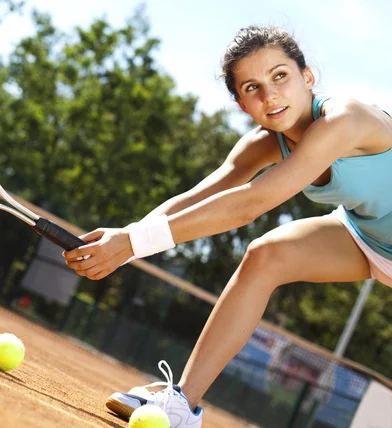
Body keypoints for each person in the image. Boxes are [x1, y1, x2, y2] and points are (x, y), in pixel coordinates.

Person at [62, 24, 392, 427]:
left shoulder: (345, 119)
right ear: (240, 103)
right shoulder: (263, 142)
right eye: (252, 87)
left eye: (280, 76)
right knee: (266, 256)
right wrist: (126, 239)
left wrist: (131, 244)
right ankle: (182, 405)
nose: (269, 95)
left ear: (308, 76)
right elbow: (199, 197)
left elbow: (249, 204)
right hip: (369, 234)